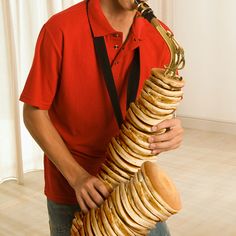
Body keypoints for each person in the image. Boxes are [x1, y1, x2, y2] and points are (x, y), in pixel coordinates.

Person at [20, 0, 183, 235]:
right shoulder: (59, 29)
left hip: (134, 184)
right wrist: (77, 177)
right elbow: (34, 113)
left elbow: (163, 108)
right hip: (76, 189)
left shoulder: (162, 35)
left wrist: (172, 127)